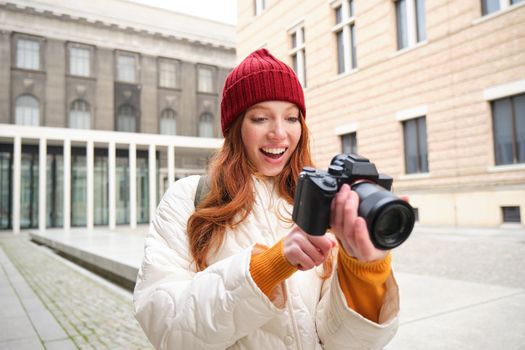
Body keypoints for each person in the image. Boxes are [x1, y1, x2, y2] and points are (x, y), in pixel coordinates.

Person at [133, 48, 399, 350]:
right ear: (235, 128)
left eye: (291, 118)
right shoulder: (188, 198)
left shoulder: (321, 199)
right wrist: (269, 266)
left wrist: (364, 273)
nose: (279, 133)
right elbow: (167, 327)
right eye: (260, 118)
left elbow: (341, 342)